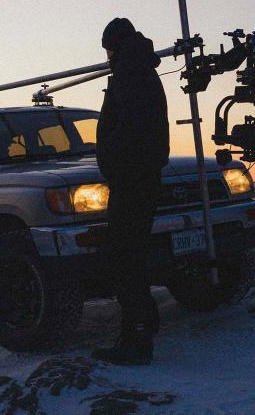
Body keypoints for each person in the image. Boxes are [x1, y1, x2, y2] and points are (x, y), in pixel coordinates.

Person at [91, 18, 169, 365]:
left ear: (116, 45)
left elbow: (128, 130)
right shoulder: (139, 70)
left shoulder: (130, 74)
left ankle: (135, 340)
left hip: (132, 178)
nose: (107, 55)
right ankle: (145, 322)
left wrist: (114, 163)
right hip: (141, 176)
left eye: (108, 48)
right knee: (132, 254)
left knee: (125, 256)